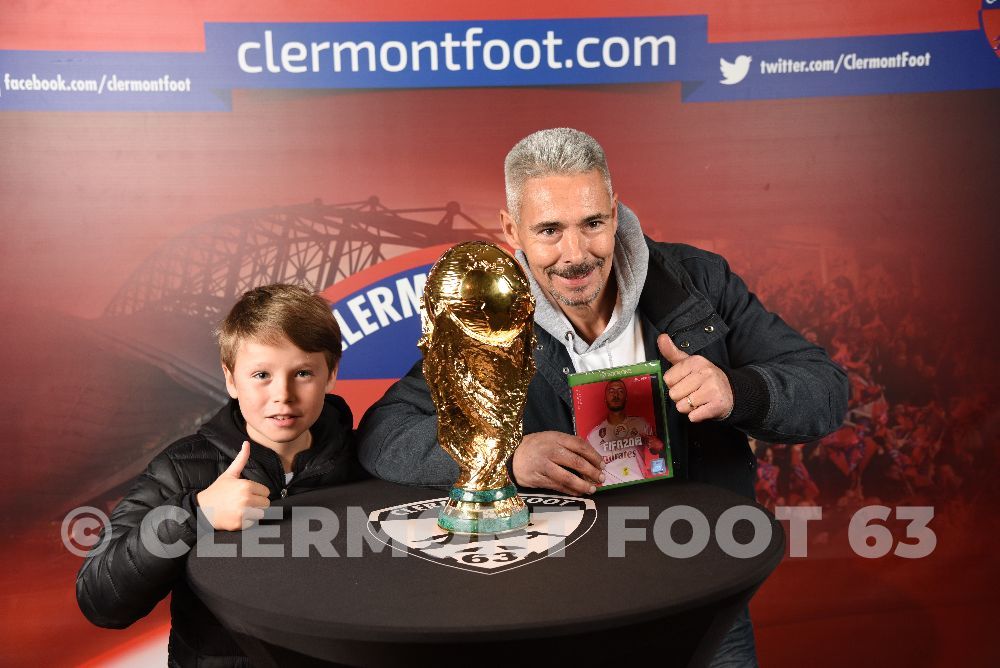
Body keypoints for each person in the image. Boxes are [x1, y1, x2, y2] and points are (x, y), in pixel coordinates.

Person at [357, 127, 848, 666]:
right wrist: (506, 455)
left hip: (703, 590)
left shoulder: (698, 282)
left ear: (614, 212)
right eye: (549, 230)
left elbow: (826, 390)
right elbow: (385, 431)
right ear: (510, 229)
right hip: (562, 605)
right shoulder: (487, 318)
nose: (577, 255)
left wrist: (739, 391)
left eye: (592, 223)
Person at [76, 284, 364, 667]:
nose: (283, 394)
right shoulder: (182, 467)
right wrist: (197, 515)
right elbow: (100, 599)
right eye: (261, 374)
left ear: (331, 375)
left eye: (304, 373)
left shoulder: (366, 460)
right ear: (230, 379)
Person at [585, 379, 665, 484]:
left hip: (640, 485)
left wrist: (659, 446)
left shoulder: (641, 423)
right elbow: (588, 473)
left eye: (620, 391)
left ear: (626, 398)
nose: (616, 395)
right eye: (611, 391)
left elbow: (655, 451)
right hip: (611, 492)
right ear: (605, 398)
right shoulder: (593, 435)